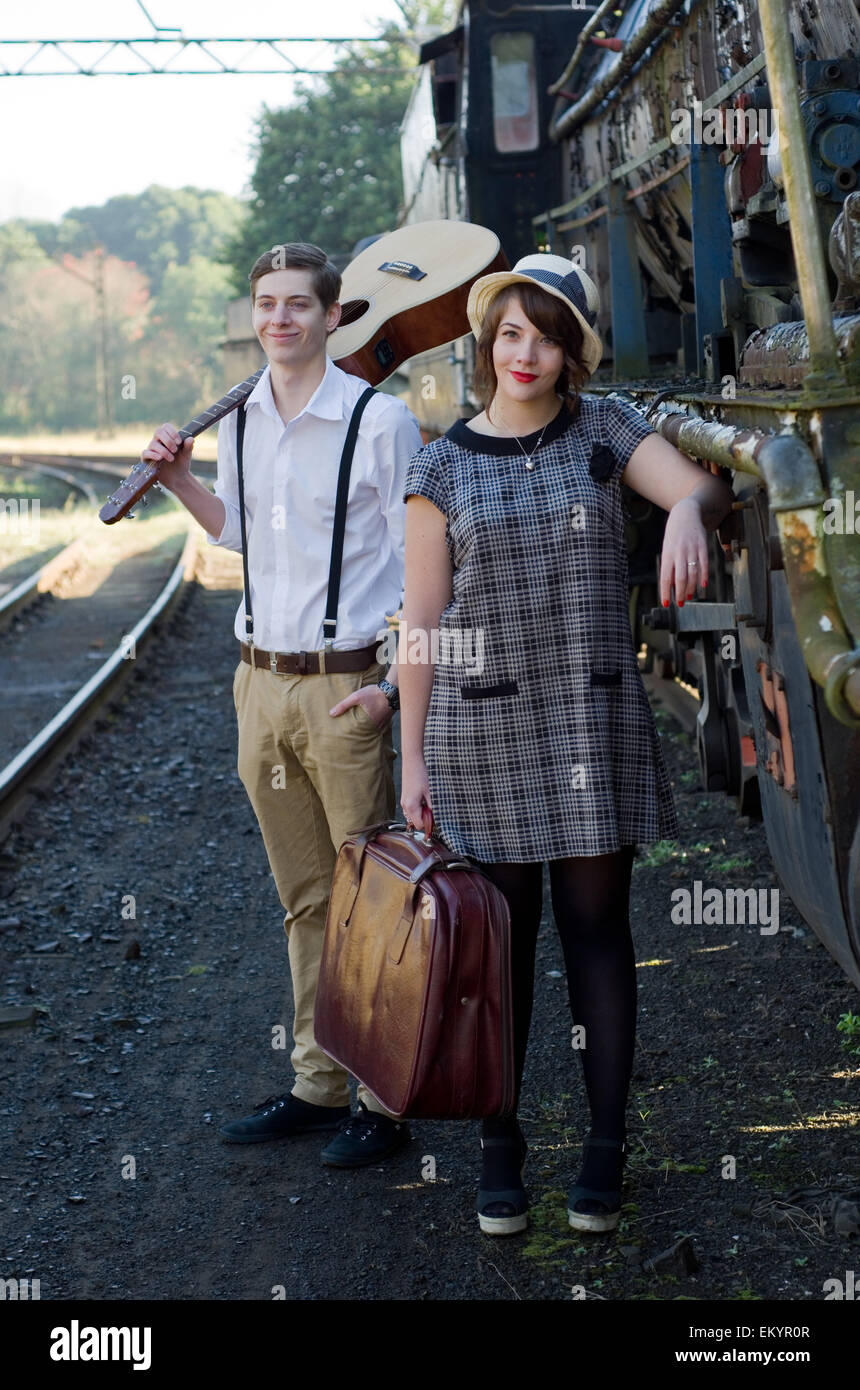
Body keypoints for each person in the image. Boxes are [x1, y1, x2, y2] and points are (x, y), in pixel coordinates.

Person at [398, 252, 734, 1234]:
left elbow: (696, 489)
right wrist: (411, 759)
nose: (523, 351)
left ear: (570, 349)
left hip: (587, 720)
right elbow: (420, 621)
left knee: (598, 938)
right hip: (479, 736)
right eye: (508, 333)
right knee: (494, 956)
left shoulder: (603, 433)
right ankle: (498, 1153)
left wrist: (681, 509)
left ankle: (601, 1154)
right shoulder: (440, 464)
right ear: (485, 342)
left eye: (544, 335)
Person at [141, 241, 423, 1167]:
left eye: (299, 304)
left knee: (369, 899)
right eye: (266, 304)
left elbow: (425, 574)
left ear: (334, 317)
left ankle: (384, 1103)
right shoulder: (243, 421)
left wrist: (389, 688)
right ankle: (317, 1081)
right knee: (304, 898)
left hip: (346, 686)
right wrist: (182, 480)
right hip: (258, 683)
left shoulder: (381, 423)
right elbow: (242, 537)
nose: (280, 319)